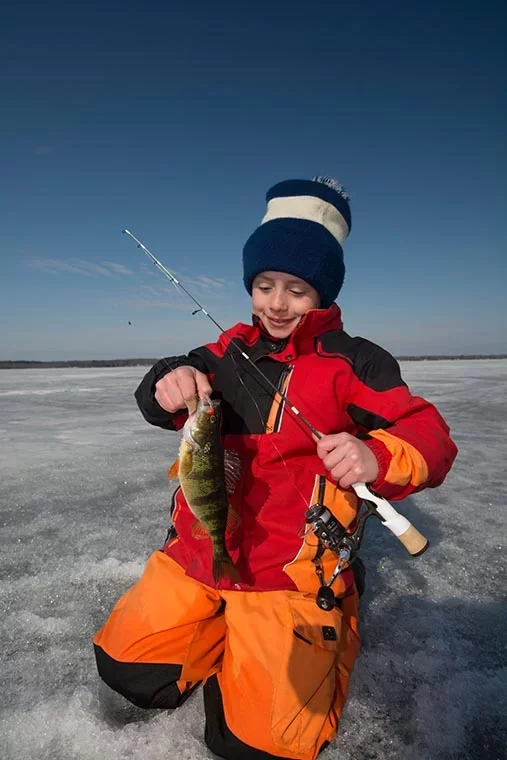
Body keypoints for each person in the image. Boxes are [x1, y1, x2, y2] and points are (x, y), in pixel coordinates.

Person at [93, 176, 458, 759]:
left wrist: (377, 453)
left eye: (297, 288)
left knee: (258, 748)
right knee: (126, 669)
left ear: (324, 292)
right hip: (198, 555)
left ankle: (330, 607)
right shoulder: (221, 354)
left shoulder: (355, 363)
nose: (277, 303)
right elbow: (156, 389)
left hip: (288, 575)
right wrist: (167, 385)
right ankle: (220, 635)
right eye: (264, 285)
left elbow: (430, 437)